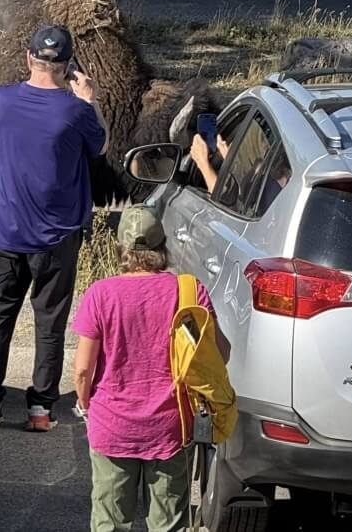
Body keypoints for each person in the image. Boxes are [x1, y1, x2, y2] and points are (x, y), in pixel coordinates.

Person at [0, 25, 108, 432]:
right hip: (58, 234)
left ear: (29, 59)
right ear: (69, 67)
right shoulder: (76, 111)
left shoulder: (2, 99)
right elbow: (100, 146)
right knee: (50, 321)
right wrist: (89, 99)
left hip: (7, 229)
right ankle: (40, 408)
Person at [72, 204, 230, 532]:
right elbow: (220, 353)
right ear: (163, 248)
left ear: (121, 249)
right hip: (172, 427)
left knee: (110, 523)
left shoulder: (100, 294)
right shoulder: (189, 291)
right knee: (168, 524)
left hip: (112, 425)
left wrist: (87, 404)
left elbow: (83, 370)